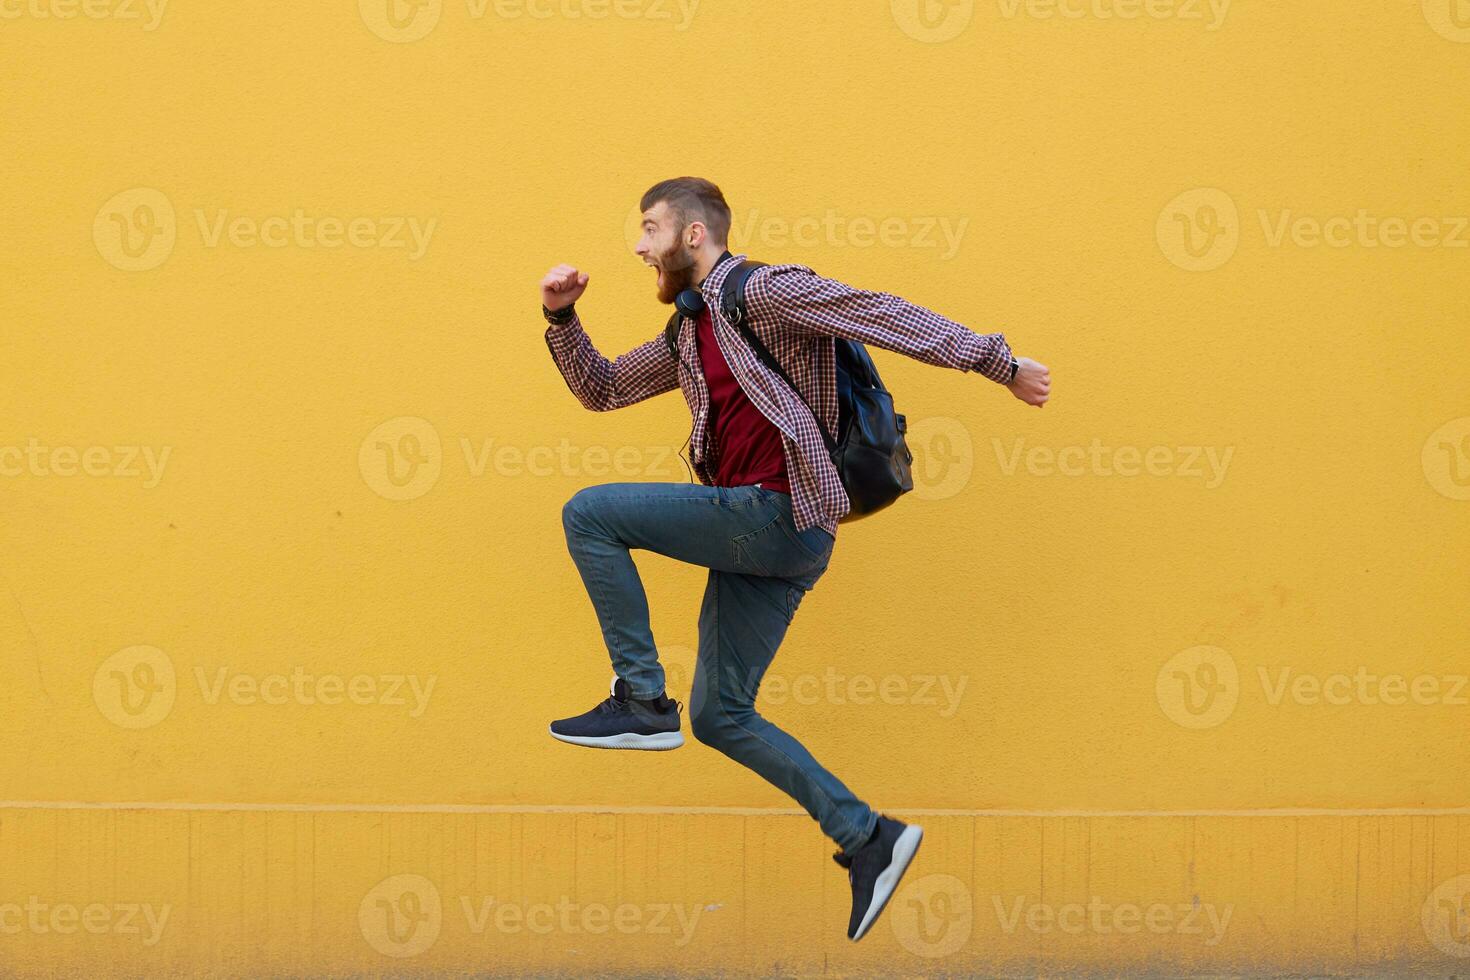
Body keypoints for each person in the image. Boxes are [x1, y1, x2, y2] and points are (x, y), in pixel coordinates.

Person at [540, 177, 1051, 942]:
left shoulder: (765, 292)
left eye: (649, 229)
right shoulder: (689, 332)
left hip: (779, 513)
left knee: (589, 514)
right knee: (719, 716)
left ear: (692, 236)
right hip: (776, 542)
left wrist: (997, 363)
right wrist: (560, 317)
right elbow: (604, 389)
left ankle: (642, 699)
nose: (638, 246)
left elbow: (882, 313)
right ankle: (868, 836)